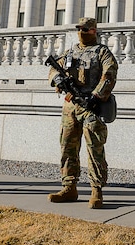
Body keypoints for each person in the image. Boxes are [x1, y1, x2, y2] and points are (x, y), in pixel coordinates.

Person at [46, 17, 118, 209]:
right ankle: (69, 187)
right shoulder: (71, 52)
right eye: (79, 28)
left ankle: (96, 190)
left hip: (92, 107)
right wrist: (58, 80)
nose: (82, 32)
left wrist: (96, 96)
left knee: (94, 149)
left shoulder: (102, 52)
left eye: (85, 29)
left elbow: (109, 74)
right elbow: (53, 69)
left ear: (94, 30)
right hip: (71, 106)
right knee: (67, 146)